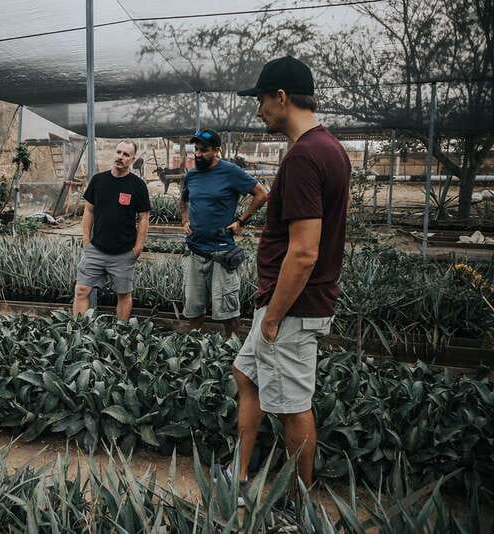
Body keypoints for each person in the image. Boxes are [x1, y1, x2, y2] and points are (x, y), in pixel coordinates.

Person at [231, 56, 350, 493]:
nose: (258, 109)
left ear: (281, 97)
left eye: (261, 99)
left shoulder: (304, 156)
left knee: (293, 407)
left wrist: (275, 317)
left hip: (293, 306)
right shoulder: (331, 148)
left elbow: (303, 252)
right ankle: (240, 473)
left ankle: (297, 499)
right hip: (287, 302)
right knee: (246, 374)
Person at [180, 129, 268, 337]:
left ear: (217, 150)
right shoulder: (192, 174)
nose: (198, 154)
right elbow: (183, 199)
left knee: (228, 311)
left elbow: (262, 194)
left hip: (222, 252)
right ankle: (195, 348)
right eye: (196, 150)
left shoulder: (230, 171)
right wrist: (184, 220)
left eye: (204, 150)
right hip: (195, 251)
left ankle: (231, 348)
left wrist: (240, 221)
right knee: (194, 307)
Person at [73, 140, 150, 320]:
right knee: (82, 290)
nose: (120, 157)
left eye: (126, 155)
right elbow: (89, 209)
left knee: (123, 295)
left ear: (132, 159)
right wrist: (86, 238)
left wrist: (138, 247)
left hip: (124, 252)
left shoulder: (137, 185)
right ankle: (79, 333)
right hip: (96, 249)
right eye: (118, 152)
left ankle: (120, 334)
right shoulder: (98, 180)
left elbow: (144, 218)